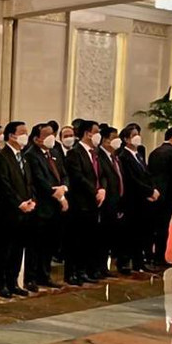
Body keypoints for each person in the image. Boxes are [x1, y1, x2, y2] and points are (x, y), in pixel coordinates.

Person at [0, 121, 35, 298]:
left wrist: (31, 200)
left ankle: (13, 282)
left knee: (17, 250)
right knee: (3, 250)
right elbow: (3, 184)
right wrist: (18, 203)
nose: (25, 135)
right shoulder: (1, 157)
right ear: (11, 136)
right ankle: (0, 284)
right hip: (6, 212)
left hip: (24, 212)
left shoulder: (23, 156)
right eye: (22, 132)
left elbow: (29, 181)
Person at [64, 120, 106, 285]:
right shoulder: (75, 153)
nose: (98, 135)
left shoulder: (95, 153)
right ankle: (72, 273)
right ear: (88, 133)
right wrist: (94, 191)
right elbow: (78, 177)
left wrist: (102, 189)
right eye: (96, 132)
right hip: (80, 202)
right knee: (76, 240)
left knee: (89, 239)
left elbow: (101, 174)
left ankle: (83, 270)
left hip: (94, 203)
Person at [26, 123, 67, 289]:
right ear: (37, 139)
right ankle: (31, 278)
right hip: (41, 206)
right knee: (35, 244)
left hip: (55, 206)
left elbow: (64, 174)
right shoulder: (31, 155)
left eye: (52, 134)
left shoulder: (55, 153)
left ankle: (45, 275)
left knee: (49, 243)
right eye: (47, 134)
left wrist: (64, 188)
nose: (52, 137)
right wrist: (57, 194)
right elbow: (39, 180)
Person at [118, 125, 159, 274]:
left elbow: (147, 174)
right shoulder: (124, 156)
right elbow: (131, 179)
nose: (137, 137)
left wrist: (153, 189)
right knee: (129, 233)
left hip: (144, 201)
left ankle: (139, 262)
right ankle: (124, 262)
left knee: (142, 232)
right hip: (132, 200)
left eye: (138, 134)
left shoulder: (139, 154)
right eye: (134, 135)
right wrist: (148, 191)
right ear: (126, 139)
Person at [147, 127, 172, 267]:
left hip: (154, 193)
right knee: (163, 227)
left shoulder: (155, 151)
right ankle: (159, 256)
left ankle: (148, 254)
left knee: (151, 225)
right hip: (168, 195)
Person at [97, 127, 123, 278]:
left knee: (109, 237)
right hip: (105, 203)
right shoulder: (99, 156)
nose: (117, 140)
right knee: (101, 237)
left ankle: (103, 267)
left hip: (115, 202)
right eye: (114, 137)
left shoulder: (114, 157)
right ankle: (98, 267)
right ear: (105, 140)